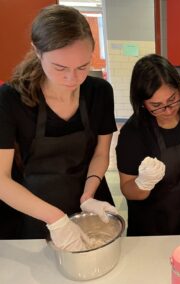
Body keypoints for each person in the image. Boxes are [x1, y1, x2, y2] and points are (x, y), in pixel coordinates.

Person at [0, 5, 118, 251]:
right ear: (37, 51)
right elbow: (1, 180)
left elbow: (100, 153)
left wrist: (88, 197)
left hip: (88, 201)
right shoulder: (10, 99)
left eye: (82, 67)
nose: (72, 79)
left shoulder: (99, 93)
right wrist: (56, 219)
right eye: (60, 68)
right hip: (32, 209)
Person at [116, 54, 180, 236]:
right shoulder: (132, 132)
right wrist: (143, 183)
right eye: (156, 105)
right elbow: (127, 188)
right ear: (142, 102)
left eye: (173, 99)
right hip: (154, 225)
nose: (168, 110)